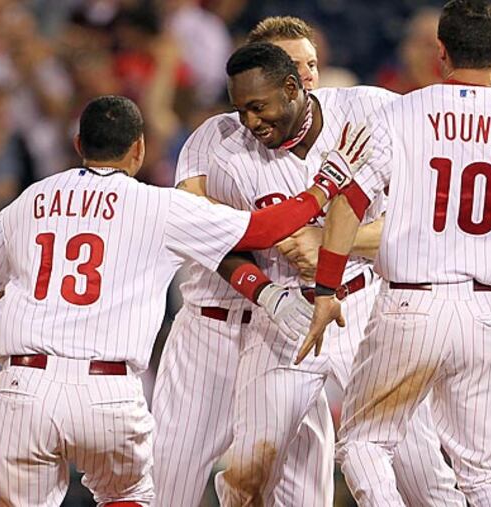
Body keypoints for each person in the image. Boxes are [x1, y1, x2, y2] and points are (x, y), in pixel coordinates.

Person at [297, 0, 491, 504]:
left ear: (440, 51)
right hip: (489, 312)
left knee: (364, 442)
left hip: (411, 304)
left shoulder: (399, 115)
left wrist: (326, 287)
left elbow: (348, 204)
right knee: (487, 474)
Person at [0, 94, 366, 505]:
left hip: (26, 384)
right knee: (127, 494)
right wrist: (325, 185)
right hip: (107, 389)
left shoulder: (29, 201)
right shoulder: (156, 205)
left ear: (79, 145)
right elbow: (260, 230)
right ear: (138, 149)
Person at [206, 42, 462, 506]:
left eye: (258, 107)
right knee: (245, 473)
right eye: (241, 110)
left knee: (420, 471)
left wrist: (331, 241)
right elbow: (220, 244)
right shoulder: (231, 158)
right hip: (287, 317)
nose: (250, 122)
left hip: (364, 302)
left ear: (293, 87)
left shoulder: (371, 111)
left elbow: (424, 217)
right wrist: (266, 296)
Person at [151, 17, 338, 506]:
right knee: (170, 485)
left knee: (302, 495)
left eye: (306, 65)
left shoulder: (338, 137)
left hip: (287, 333)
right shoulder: (216, 139)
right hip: (212, 332)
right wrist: (264, 285)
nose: (307, 74)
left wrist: (334, 242)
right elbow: (203, 234)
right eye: (291, 62)